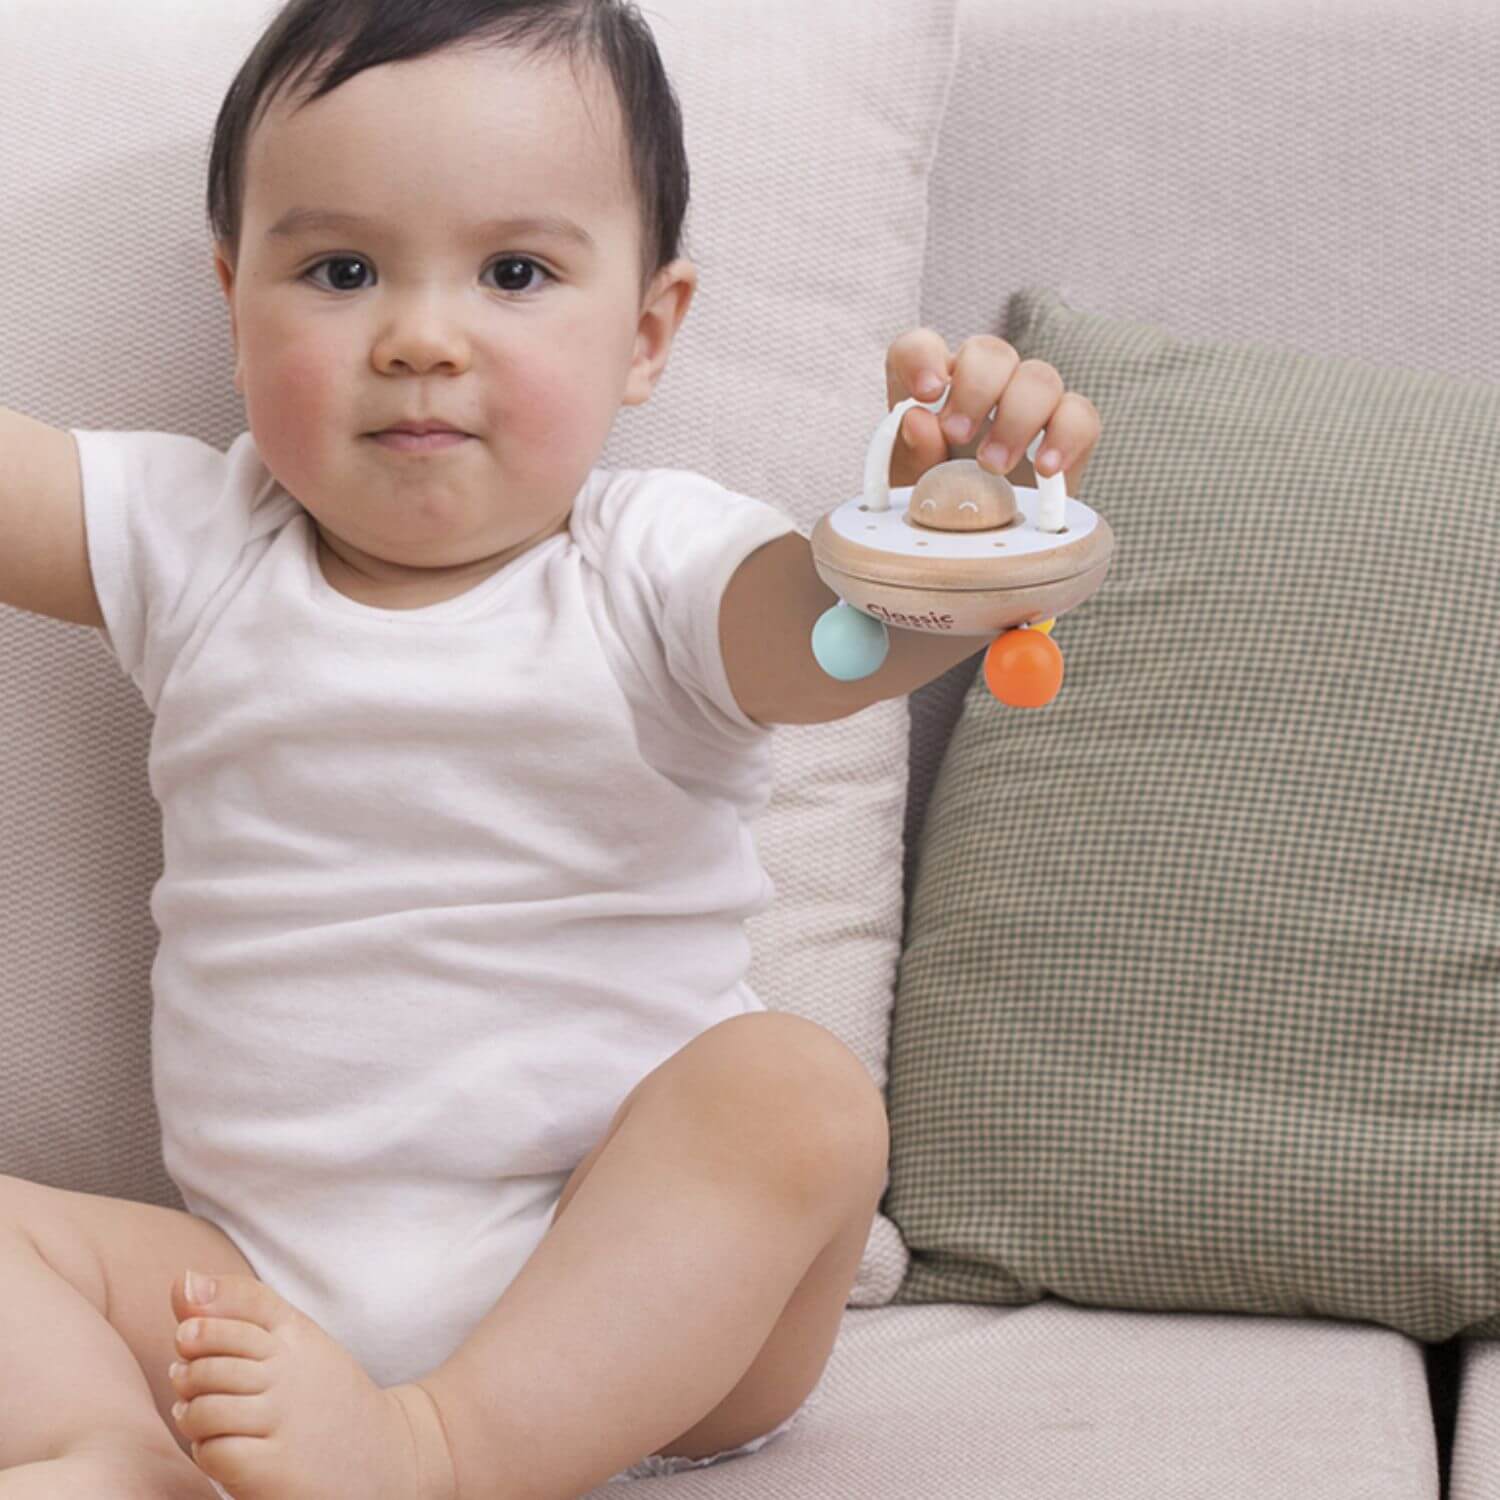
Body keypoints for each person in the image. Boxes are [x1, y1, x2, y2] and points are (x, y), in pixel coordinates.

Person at [0, 2, 1100, 1497]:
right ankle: (108, 1450)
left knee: (795, 1095)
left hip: (635, 1297)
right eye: (338, 271)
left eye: (515, 273)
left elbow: (816, 638)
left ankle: (434, 1452)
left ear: (646, 333)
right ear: (235, 300)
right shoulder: (200, 542)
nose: (420, 336)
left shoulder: (645, 561)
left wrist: (937, 537)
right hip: (246, 1294)